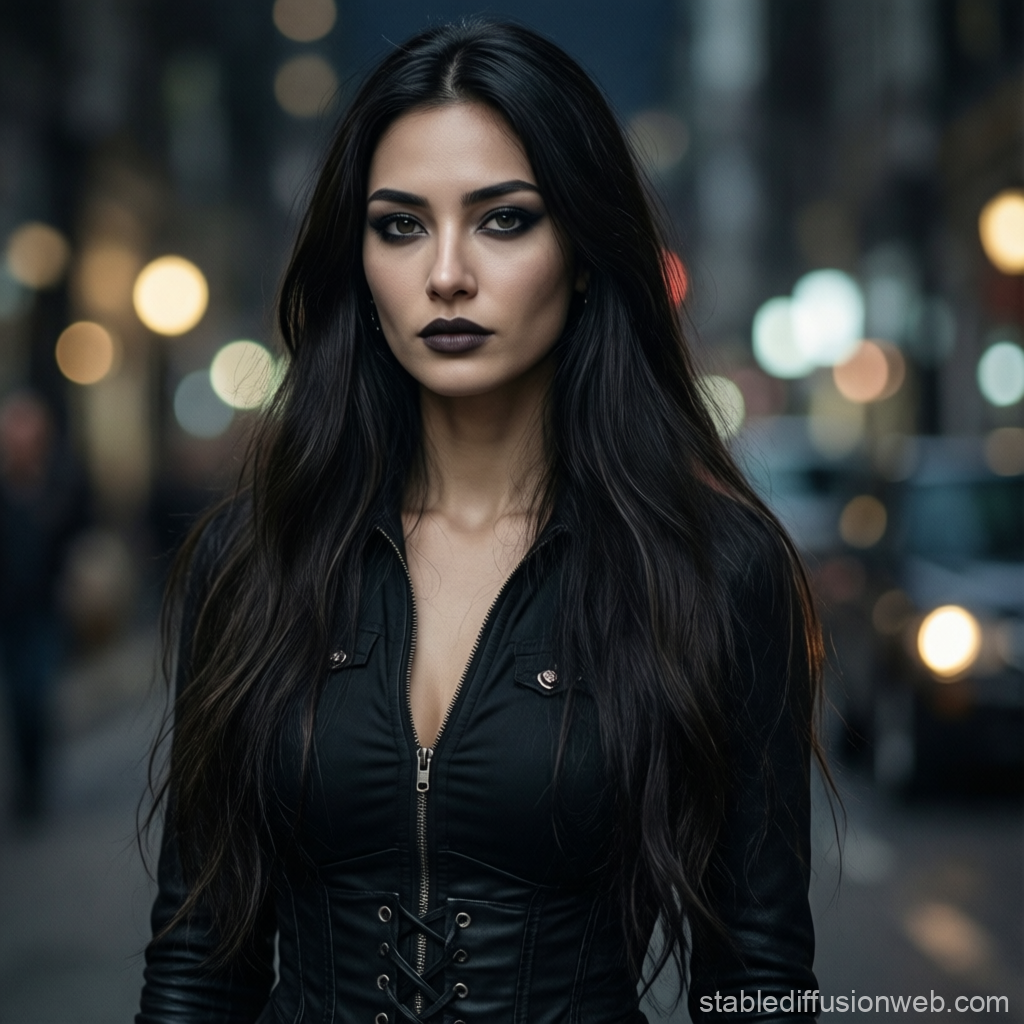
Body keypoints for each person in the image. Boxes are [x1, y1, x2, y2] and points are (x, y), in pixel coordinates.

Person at [139, 20, 831, 1024]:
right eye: (400, 226)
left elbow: (758, 979)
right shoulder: (256, 556)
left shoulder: (713, 565)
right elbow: (198, 961)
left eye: (504, 220)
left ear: (582, 250)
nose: (446, 274)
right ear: (358, 260)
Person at [0, 391, 87, 821]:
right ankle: (26, 781)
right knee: (18, 698)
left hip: (45, 607)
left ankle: (36, 781)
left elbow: (79, 538)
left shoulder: (61, 483)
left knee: (36, 694)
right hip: (8, 611)